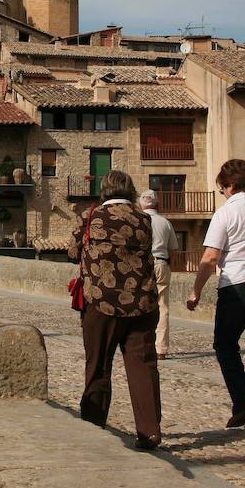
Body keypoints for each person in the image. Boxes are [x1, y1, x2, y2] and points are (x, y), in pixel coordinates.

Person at [186, 159, 245, 434]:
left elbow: (211, 256)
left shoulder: (226, 213)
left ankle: (242, 402)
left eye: (222, 188)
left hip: (237, 286)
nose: (223, 193)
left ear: (229, 185)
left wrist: (196, 291)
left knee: (225, 345)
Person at [69, 170, 161, 449]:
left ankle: (93, 426)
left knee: (97, 366)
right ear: (130, 190)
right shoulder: (143, 219)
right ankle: (149, 431)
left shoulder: (91, 217)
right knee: (142, 367)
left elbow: (73, 251)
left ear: (104, 190)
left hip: (101, 301)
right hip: (141, 303)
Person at [139, 189, 179, 359]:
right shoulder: (165, 223)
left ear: (142, 204)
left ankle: (142, 345)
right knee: (162, 306)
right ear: (157, 204)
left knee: (140, 305)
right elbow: (173, 250)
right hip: (161, 262)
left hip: (142, 264)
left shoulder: (138, 221)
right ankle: (161, 349)